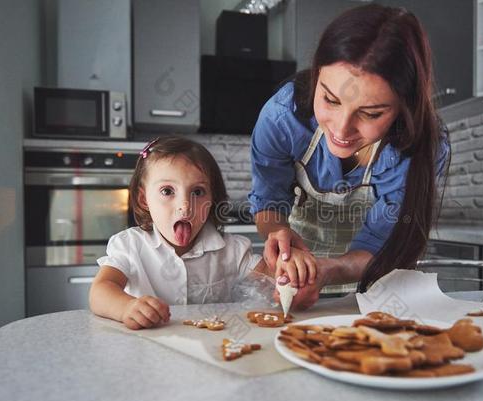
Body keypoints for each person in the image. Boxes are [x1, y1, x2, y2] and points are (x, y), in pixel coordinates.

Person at [249, 4, 450, 308]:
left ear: (402, 108)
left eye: (370, 113)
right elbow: (268, 200)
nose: (341, 129)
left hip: (378, 281)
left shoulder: (420, 148)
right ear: (317, 75)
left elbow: (385, 244)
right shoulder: (282, 118)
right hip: (294, 271)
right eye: (329, 99)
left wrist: (329, 269)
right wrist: (278, 233)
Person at [89, 137, 271, 330]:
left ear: (212, 199)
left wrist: (290, 274)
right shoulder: (129, 246)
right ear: (144, 200)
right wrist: (126, 307)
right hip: (147, 351)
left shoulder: (234, 250)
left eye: (198, 192)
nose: (185, 206)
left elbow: (272, 278)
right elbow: (100, 291)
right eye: (167, 191)